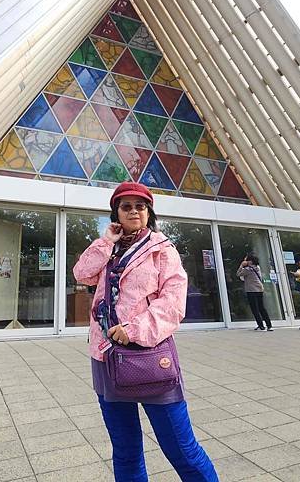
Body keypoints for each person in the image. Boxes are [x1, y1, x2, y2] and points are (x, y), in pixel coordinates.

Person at [73, 181, 218, 482]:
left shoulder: (162, 250)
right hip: (107, 358)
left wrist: (134, 329)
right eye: (126, 206)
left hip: (151, 358)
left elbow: (173, 303)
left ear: (149, 211)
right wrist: (106, 241)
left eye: (140, 206)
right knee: (125, 452)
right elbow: (81, 273)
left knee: (181, 448)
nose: (134, 211)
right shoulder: (109, 250)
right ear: (117, 213)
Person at [237, 254, 273, 331]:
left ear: (250, 261)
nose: (245, 261)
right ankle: (269, 325)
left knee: (255, 309)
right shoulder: (258, 268)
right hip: (259, 289)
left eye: (246, 260)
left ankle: (261, 325)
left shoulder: (248, 269)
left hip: (251, 290)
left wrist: (241, 265)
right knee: (261, 307)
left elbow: (238, 274)